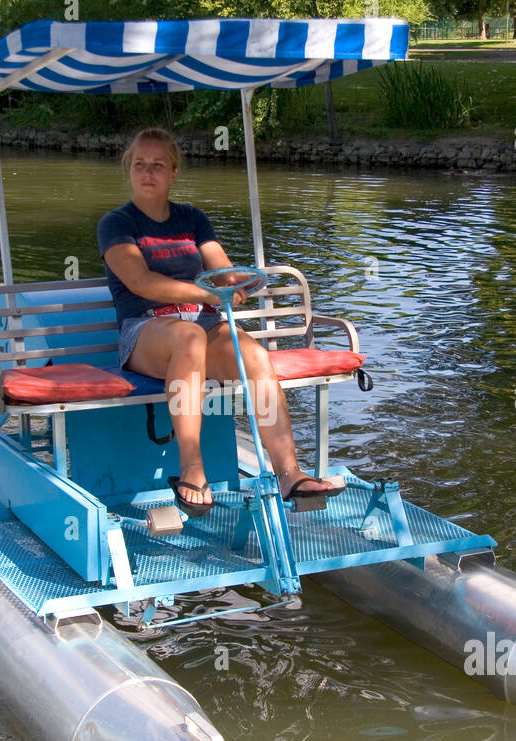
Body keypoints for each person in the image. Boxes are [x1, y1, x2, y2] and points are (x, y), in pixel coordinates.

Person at [97, 127, 342, 517]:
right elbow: (141, 282)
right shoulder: (117, 224)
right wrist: (207, 294)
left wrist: (236, 282)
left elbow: (222, 268)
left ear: (173, 172)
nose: (148, 172)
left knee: (255, 357)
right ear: (129, 170)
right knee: (189, 338)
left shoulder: (192, 219)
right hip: (147, 331)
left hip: (203, 326)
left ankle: (289, 473)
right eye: (140, 164)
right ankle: (192, 468)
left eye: (158, 165)